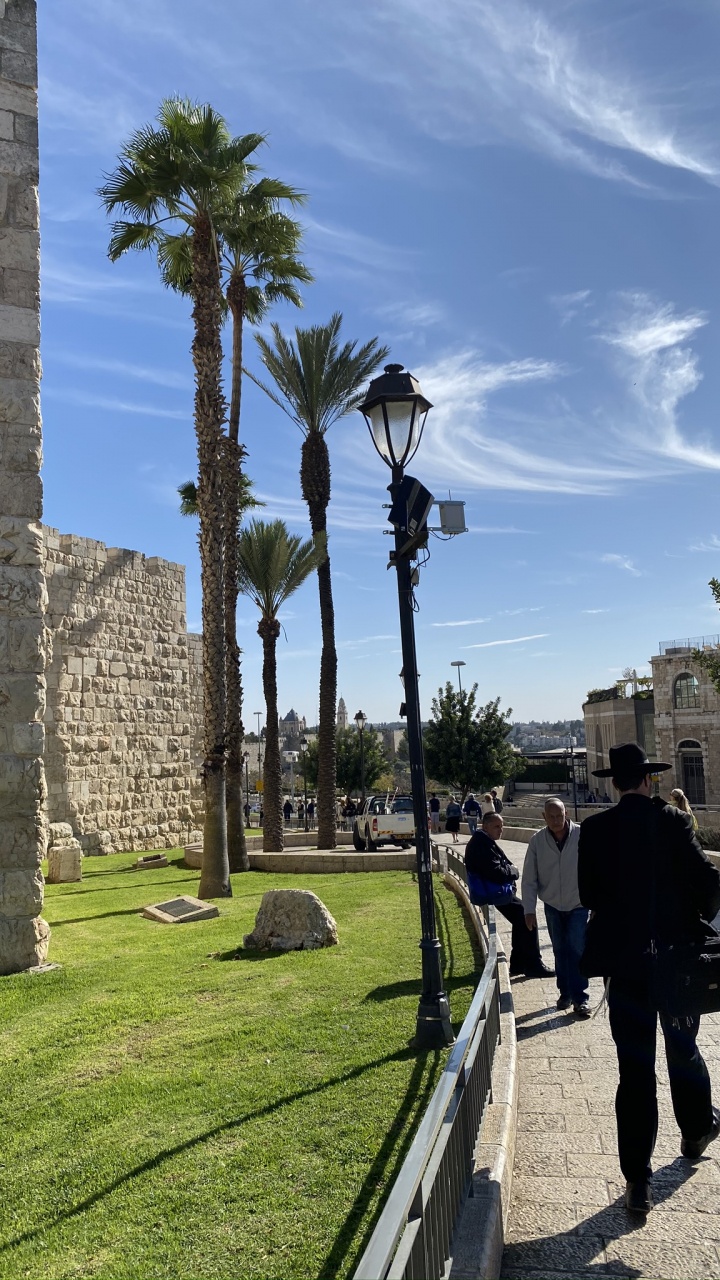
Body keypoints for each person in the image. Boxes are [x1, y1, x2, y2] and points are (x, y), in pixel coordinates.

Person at [579, 742, 720, 1216]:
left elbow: (587, 893)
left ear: (616, 783)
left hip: (626, 967)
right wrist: (690, 917)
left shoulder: (595, 830)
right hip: (675, 964)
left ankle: (637, 1180)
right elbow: (708, 883)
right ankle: (697, 1128)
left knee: (634, 1071)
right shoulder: (672, 822)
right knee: (683, 1050)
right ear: (648, 779)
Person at [466, 812, 554, 978]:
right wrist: (513, 871)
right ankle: (533, 964)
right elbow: (496, 872)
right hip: (494, 892)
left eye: (502, 826)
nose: (501, 830)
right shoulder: (481, 844)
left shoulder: (483, 840)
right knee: (527, 915)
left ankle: (519, 964)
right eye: (496, 826)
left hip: (495, 891)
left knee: (521, 917)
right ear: (485, 826)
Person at [522, 799, 589, 1017]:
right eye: (551, 816)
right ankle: (565, 993)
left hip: (578, 903)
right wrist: (529, 910)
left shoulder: (582, 835)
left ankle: (581, 998)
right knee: (560, 950)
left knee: (577, 949)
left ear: (566, 813)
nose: (556, 820)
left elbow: (595, 870)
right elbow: (529, 878)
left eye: (559, 815)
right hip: (552, 905)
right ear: (544, 817)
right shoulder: (537, 841)